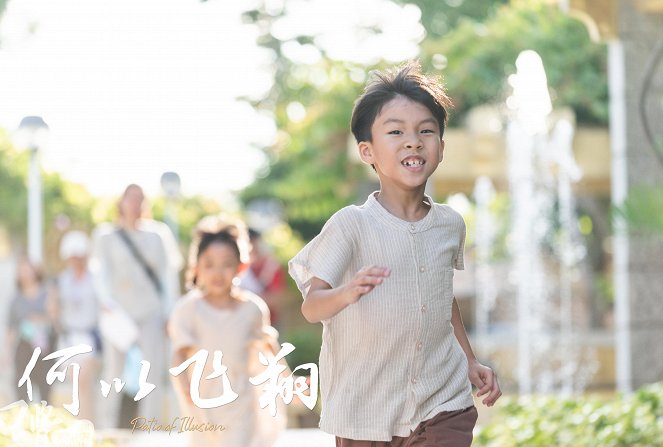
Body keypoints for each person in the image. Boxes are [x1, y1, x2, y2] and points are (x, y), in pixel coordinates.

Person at [288, 61, 502, 447]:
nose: (413, 141)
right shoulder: (350, 224)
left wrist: (470, 360)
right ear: (367, 151)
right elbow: (312, 306)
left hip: (443, 402)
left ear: (441, 146)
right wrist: (346, 292)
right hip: (365, 413)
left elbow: (440, 298)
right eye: (396, 131)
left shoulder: (450, 224)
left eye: (426, 130)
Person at [168, 215, 283, 447]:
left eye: (227, 263)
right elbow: (178, 355)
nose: (217, 272)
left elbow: (269, 351)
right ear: (196, 267)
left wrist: (290, 382)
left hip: (241, 405)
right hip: (201, 408)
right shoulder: (188, 310)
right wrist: (186, 392)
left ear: (241, 266)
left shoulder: (252, 309)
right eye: (209, 264)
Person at [90, 184, 169, 429]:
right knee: (114, 372)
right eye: (131, 198)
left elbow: (166, 277)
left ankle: (148, 429)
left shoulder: (158, 235)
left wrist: (169, 313)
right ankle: (109, 429)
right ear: (121, 202)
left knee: (151, 372)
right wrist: (106, 303)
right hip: (119, 316)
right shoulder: (106, 236)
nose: (135, 203)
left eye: (140, 198)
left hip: (150, 312)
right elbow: (99, 273)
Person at [51, 230, 100, 422]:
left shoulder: (96, 278)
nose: (76, 261)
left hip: (89, 337)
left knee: (84, 382)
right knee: (76, 385)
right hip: (69, 338)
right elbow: (55, 309)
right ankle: (81, 424)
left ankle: (87, 424)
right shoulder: (62, 280)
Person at [6, 258, 55, 404]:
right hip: (24, 349)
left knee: (45, 390)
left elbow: (55, 318)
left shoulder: (48, 293)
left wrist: (41, 319)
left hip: (45, 348)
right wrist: (6, 353)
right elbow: (11, 327)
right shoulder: (16, 300)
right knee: (22, 390)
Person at [238, 228, 287, 329]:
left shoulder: (271, 267)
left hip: (268, 324)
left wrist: (244, 297)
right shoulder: (238, 267)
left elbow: (277, 300)